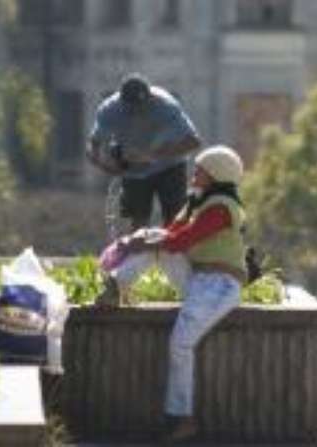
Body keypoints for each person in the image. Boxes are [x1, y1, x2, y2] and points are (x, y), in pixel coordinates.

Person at [96, 146, 247, 444]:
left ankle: (182, 417)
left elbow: (184, 240)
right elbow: (170, 235)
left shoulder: (222, 206)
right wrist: (141, 238)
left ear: (216, 174)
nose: (195, 173)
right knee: (153, 239)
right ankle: (116, 286)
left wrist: (144, 242)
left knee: (180, 343)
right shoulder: (196, 201)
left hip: (220, 284)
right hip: (199, 278)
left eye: (201, 169)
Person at [87, 73, 201, 230]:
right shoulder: (109, 110)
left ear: (150, 98)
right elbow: (94, 144)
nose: (137, 112)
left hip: (170, 165)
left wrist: (152, 156)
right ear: (121, 101)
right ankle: (139, 253)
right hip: (134, 170)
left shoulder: (166, 106)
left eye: (142, 106)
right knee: (138, 220)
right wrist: (104, 164)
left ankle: (174, 253)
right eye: (131, 108)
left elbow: (193, 141)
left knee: (175, 217)